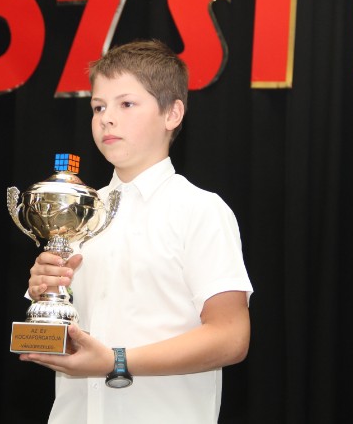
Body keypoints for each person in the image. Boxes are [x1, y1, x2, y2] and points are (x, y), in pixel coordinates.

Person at [19, 39, 253, 423]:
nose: (107, 118)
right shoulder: (80, 213)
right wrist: (47, 289)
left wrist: (116, 360)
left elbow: (231, 337)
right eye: (98, 107)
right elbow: (66, 332)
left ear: (172, 113)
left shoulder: (200, 210)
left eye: (126, 104)